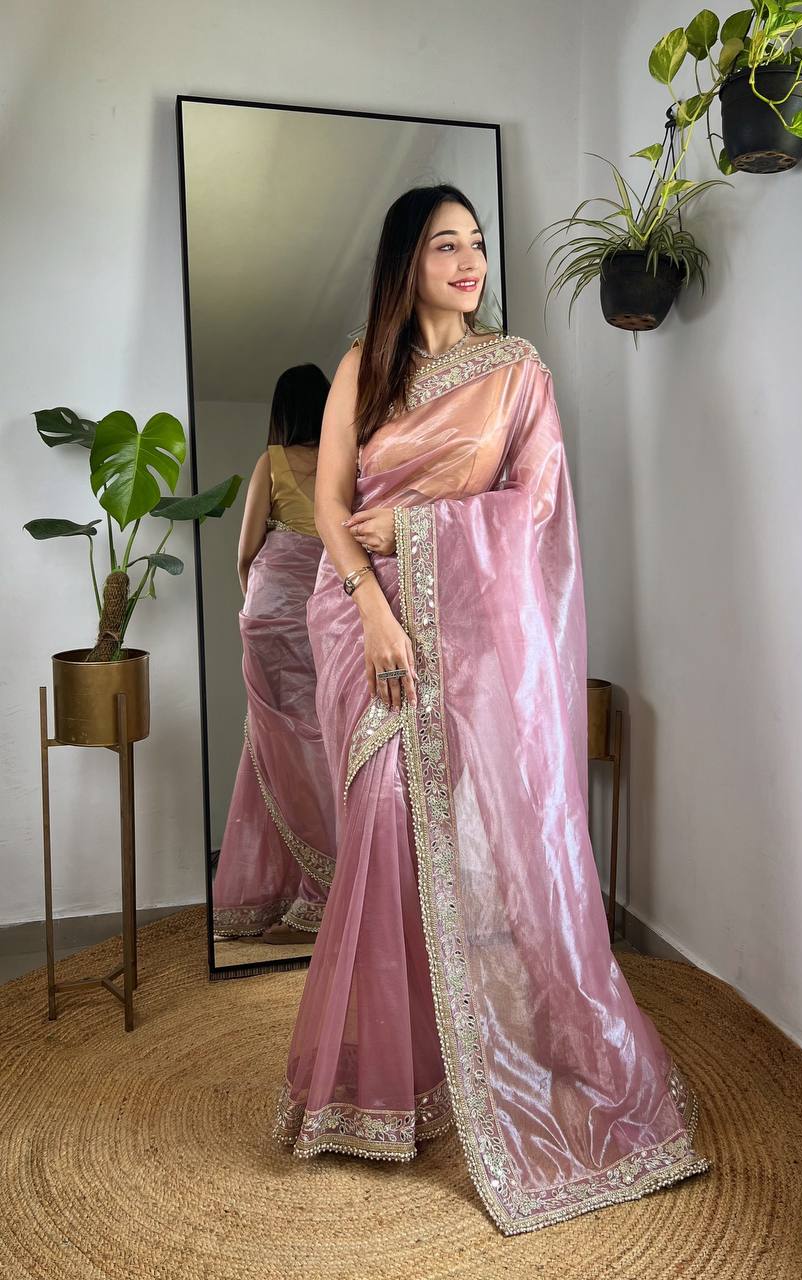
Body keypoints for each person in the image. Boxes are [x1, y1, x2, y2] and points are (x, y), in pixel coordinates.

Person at [272, 185, 711, 1235]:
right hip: (363, 621)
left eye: (475, 243)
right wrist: (374, 604)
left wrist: (417, 534)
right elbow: (330, 506)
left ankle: (524, 1053)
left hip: (472, 631)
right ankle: (394, 1078)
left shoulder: (516, 371)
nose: (469, 261)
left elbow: (538, 512)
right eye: (445, 245)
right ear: (405, 261)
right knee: (385, 822)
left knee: (483, 844)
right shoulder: (363, 368)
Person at [211, 365, 336, 946]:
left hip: (271, 616)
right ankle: (318, 886)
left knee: (276, 748)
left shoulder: (272, 461)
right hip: (329, 616)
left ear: (283, 411)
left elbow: (246, 552)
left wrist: (260, 607)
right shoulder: (347, 463)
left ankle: (305, 892)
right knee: (321, 745)